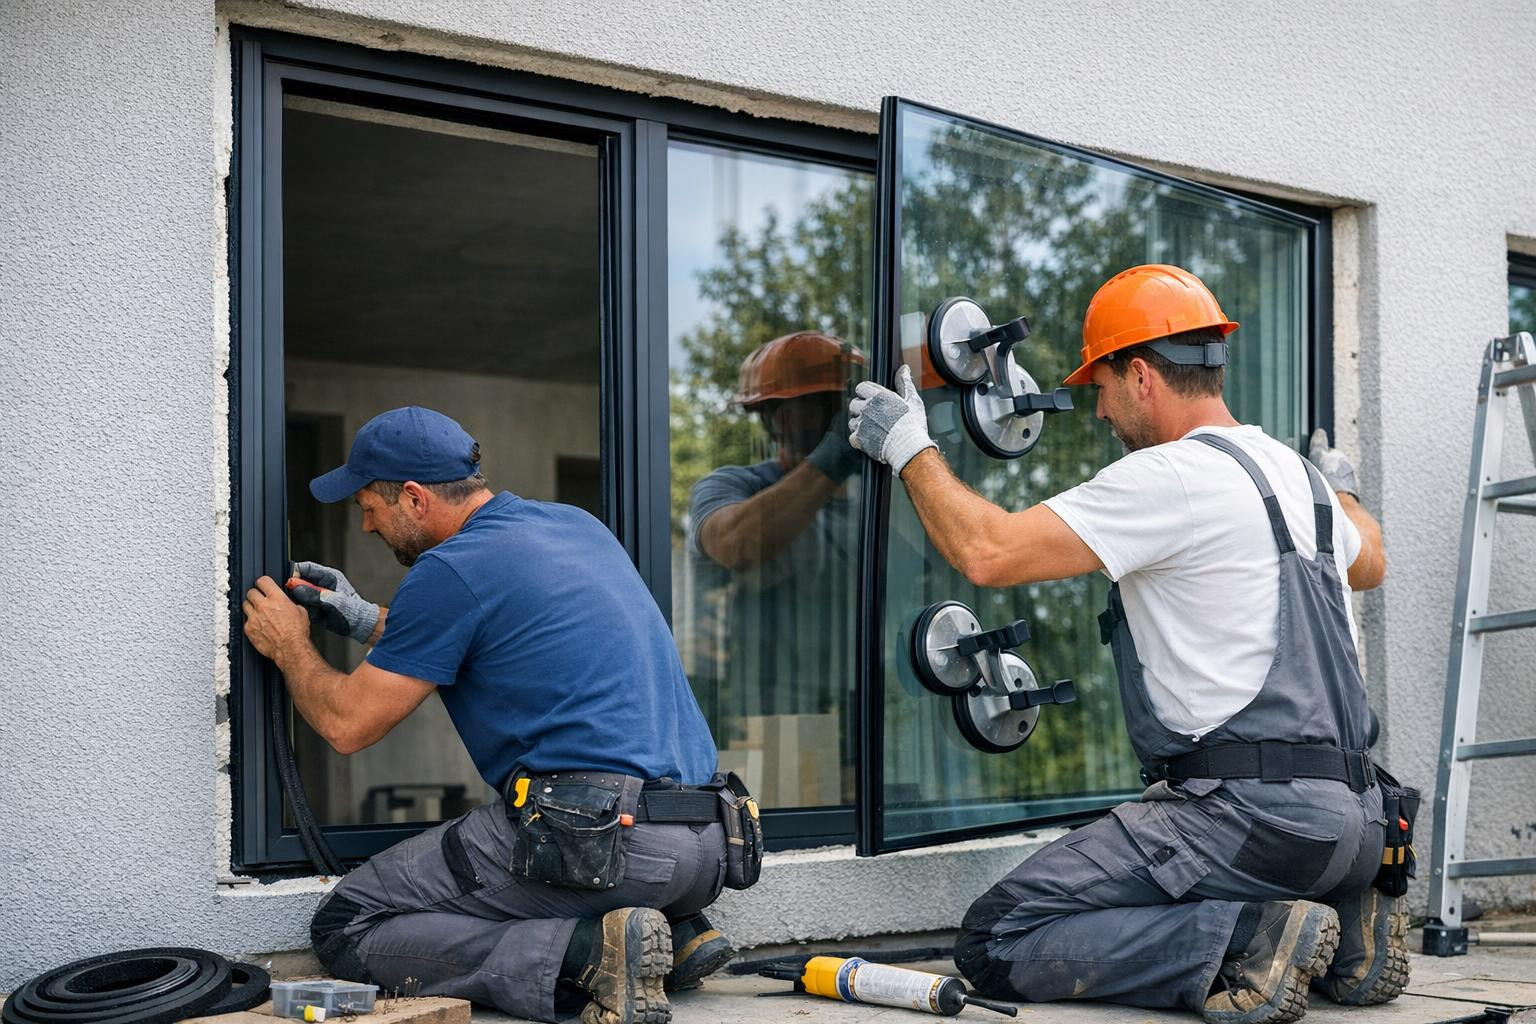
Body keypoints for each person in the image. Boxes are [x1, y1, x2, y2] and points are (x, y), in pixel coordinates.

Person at [847, 265, 1401, 1024]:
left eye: (1100, 386)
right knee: (1264, 848)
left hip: (1250, 822)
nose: (1098, 410)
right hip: (1358, 821)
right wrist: (1340, 489)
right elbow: (1370, 559)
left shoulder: (1168, 477)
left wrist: (909, 447)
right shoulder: (1296, 476)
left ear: (1141, 375)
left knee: (997, 938)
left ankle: (1249, 939)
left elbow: (990, 553)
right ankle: (1347, 938)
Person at [241, 406, 733, 1024]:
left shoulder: (448, 570)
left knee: (350, 923)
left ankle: (586, 954)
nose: (365, 527)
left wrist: (289, 644)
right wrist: (362, 618)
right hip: (708, 841)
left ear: (414, 499)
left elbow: (348, 725)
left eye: (369, 506)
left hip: (606, 842)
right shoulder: (574, 526)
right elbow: (491, 634)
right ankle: (681, 933)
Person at [684, 332, 863, 801]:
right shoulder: (729, 488)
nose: (830, 414)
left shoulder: (882, 509)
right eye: (812, 403)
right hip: (765, 726)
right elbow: (736, 543)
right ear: (772, 417)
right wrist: (832, 460)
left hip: (866, 727)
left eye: (834, 401)